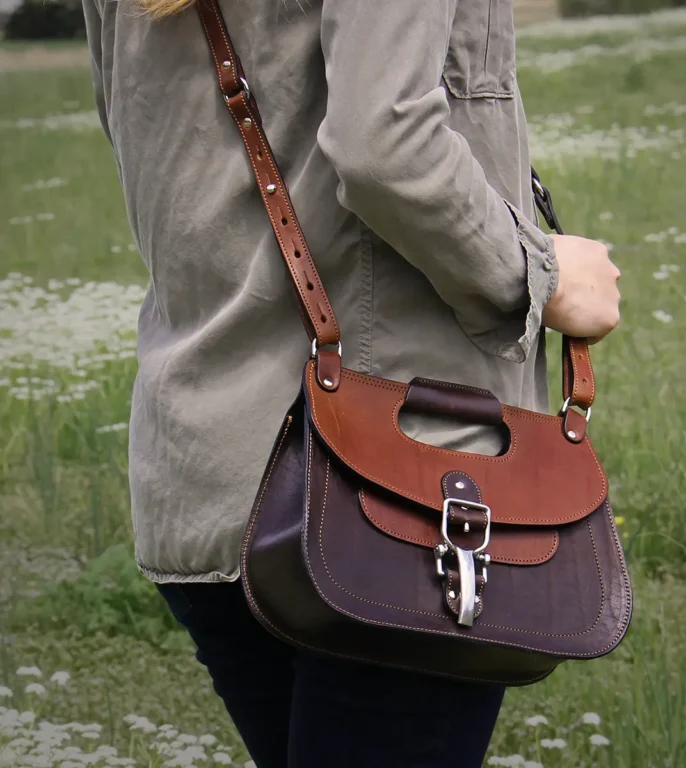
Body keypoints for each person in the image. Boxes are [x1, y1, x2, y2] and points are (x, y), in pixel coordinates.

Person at [82, 0, 621, 765]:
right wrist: (539, 276)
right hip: (400, 492)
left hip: (206, 463)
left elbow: (136, 141)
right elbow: (385, 145)